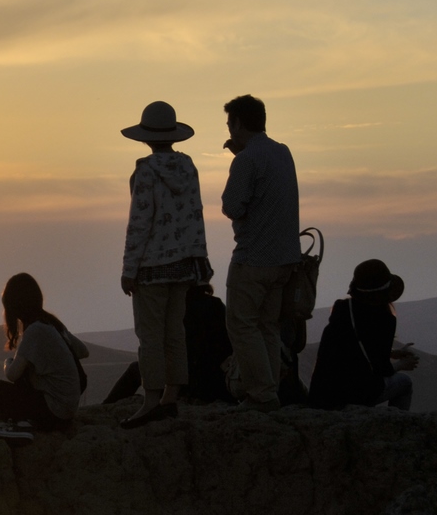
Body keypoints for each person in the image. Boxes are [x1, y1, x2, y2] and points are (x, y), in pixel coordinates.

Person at [117, 101, 212, 429]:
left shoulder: (145, 171)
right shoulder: (189, 168)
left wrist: (129, 269)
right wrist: (200, 262)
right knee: (175, 331)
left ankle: (150, 400)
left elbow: (139, 223)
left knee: (150, 335)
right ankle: (172, 395)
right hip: (184, 265)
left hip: (153, 267)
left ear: (145, 137)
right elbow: (195, 216)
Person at [219, 94, 301, 411]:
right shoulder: (283, 152)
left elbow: (231, 205)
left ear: (238, 122)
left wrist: (238, 159)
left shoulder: (246, 159)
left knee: (241, 324)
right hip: (285, 258)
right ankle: (269, 391)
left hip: (254, 258)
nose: (229, 129)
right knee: (267, 325)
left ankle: (261, 394)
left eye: (229, 123)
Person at [0, 273, 89, 438]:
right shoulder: (52, 323)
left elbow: (12, 374)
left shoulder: (35, 330)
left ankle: (24, 424)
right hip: (67, 410)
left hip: (52, 413)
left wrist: (8, 362)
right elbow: (83, 351)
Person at [306, 259, 419, 410]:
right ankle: (397, 425)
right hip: (354, 394)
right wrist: (402, 365)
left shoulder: (342, 309)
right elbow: (381, 369)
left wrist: (392, 353)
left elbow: (349, 350)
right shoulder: (385, 319)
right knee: (405, 383)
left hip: (323, 394)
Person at [102, 282, 234, 405]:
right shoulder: (216, 305)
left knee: (136, 369)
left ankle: (106, 407)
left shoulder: (176, 308)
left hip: (189, 381)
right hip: (217, 381)